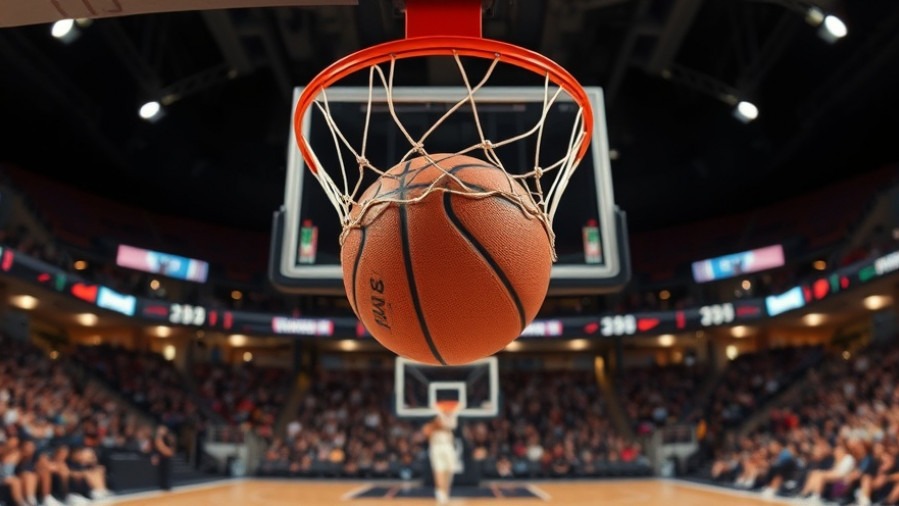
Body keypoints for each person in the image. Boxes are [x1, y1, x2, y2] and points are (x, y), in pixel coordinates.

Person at [422, 402, 459, 505]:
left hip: (448, 446)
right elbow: (426, 432)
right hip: (437, 447)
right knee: (439, 470)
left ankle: (445, 492)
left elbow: (449, 425)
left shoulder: (451, 418)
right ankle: (440, 493)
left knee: (449, 470)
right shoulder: (430, 422)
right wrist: (436, 423)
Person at [152, 425, 175, 491]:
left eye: (162, 429)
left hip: (167, 458)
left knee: (167, 473)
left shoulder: (168, 438)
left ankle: (167, 485)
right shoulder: (157, 438)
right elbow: (156, 449)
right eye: (160, 429)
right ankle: (164, 485)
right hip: (161, 458)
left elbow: (170, 449)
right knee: (162, 473)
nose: (161, 431)